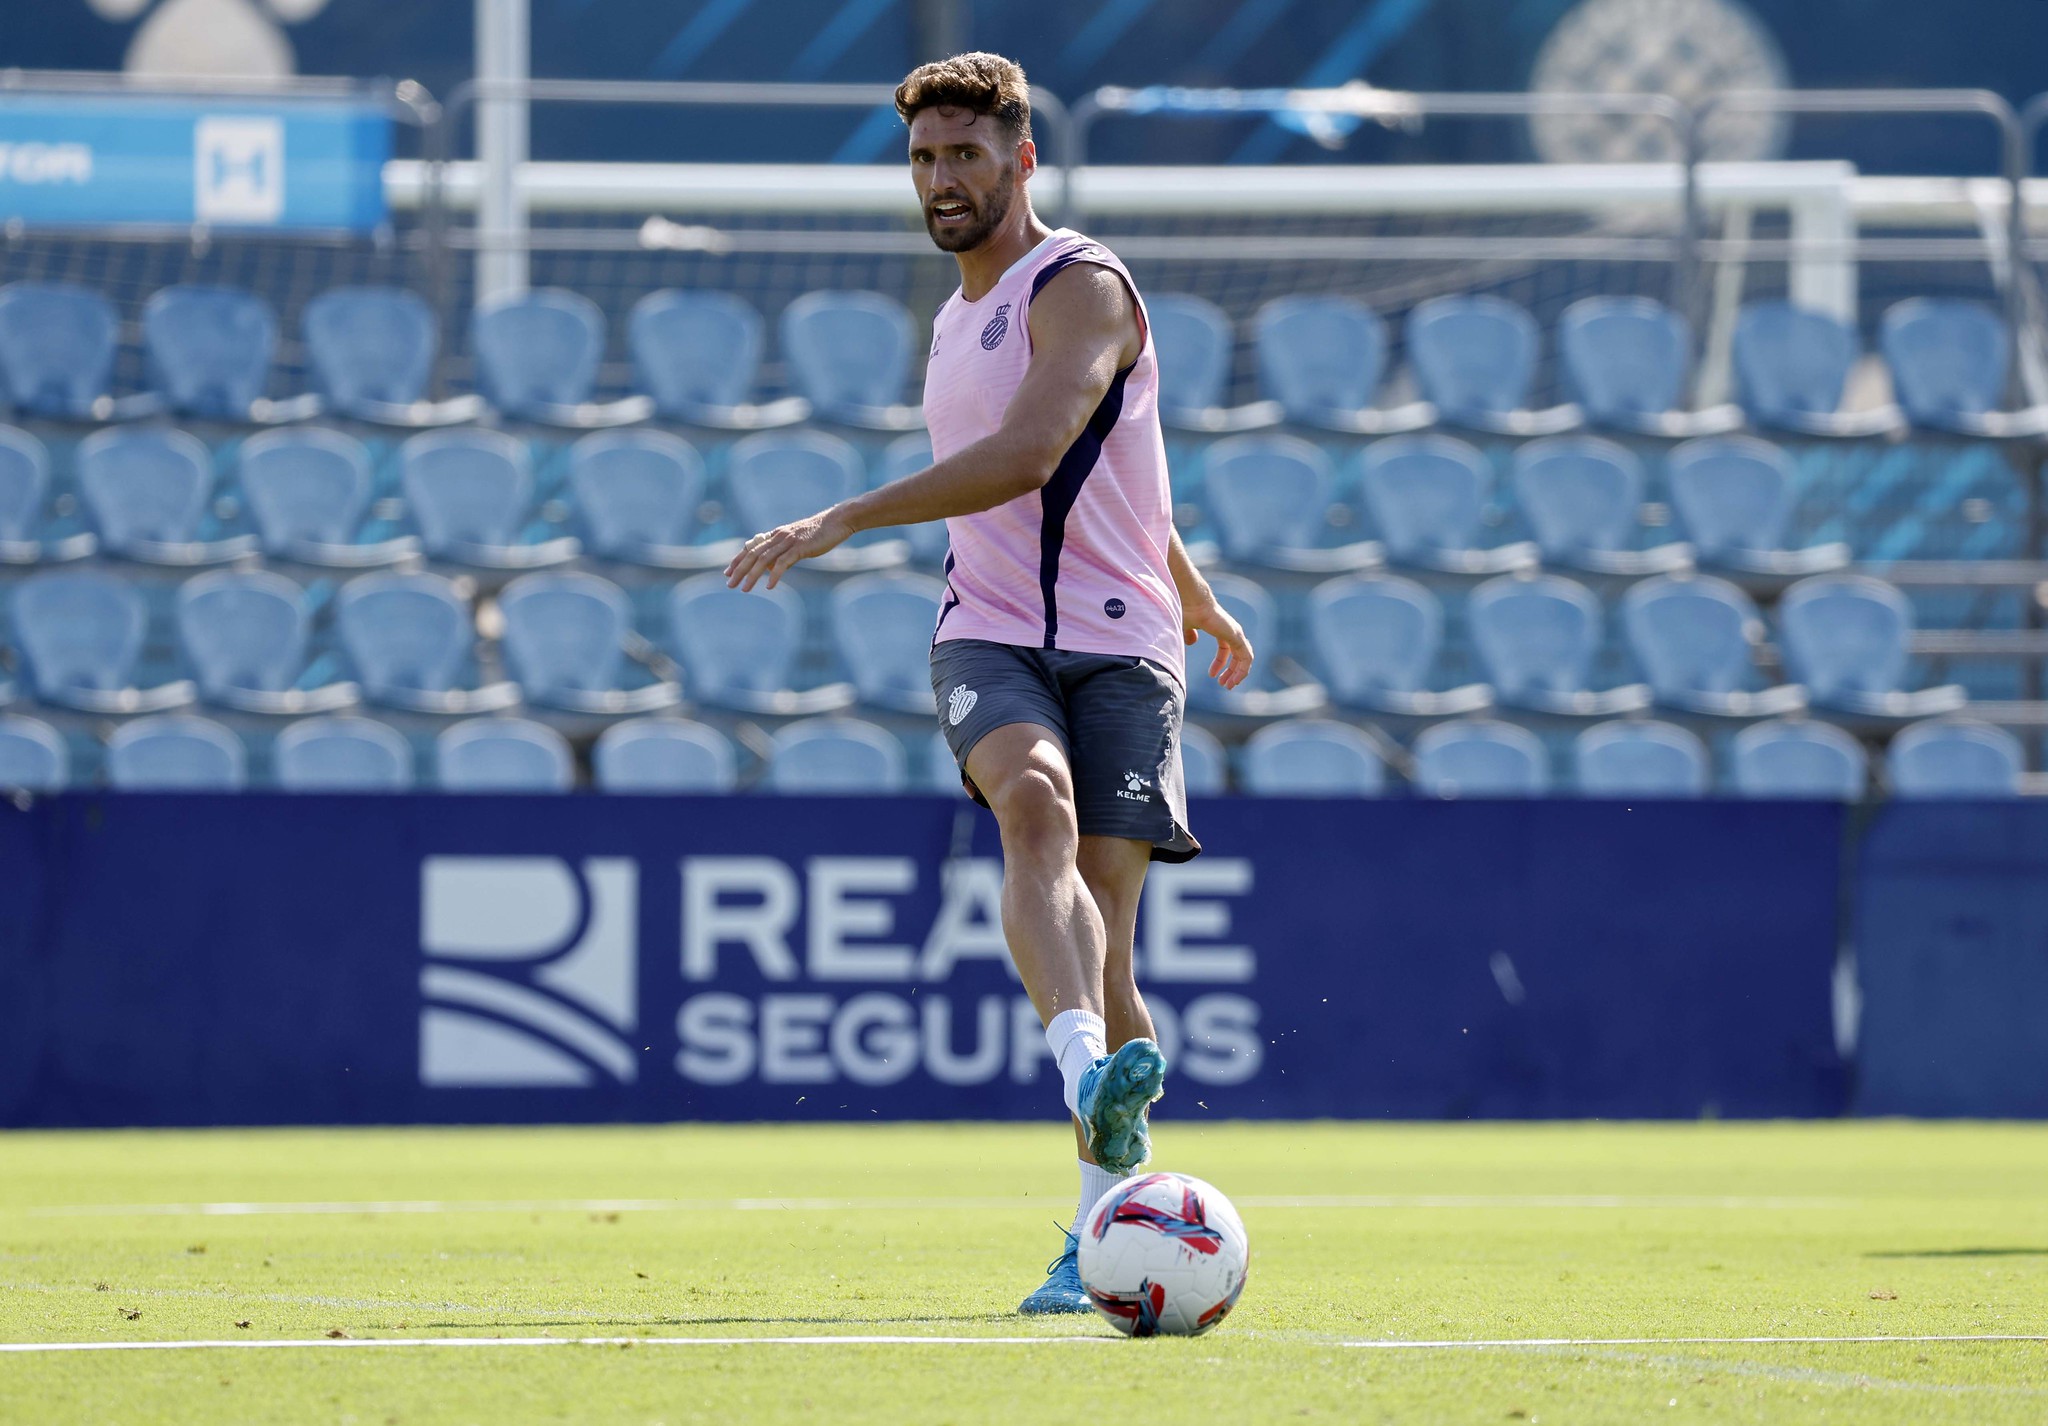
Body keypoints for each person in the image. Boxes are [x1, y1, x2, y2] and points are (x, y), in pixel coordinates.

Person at [724, 51, 1253, 1316]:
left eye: (963, 154)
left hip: (1120, 644)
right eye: (921, 158)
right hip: (991, 628)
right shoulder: (955, 320)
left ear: (1020, 160)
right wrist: (1193, 579)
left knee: (1108, 939)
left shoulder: (1081, 286)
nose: (939, 178)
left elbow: (1035, 453)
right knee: (1032, 803)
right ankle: (1083, 1072)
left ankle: (1095, 1231)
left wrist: (845, 515)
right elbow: (1113, 464)